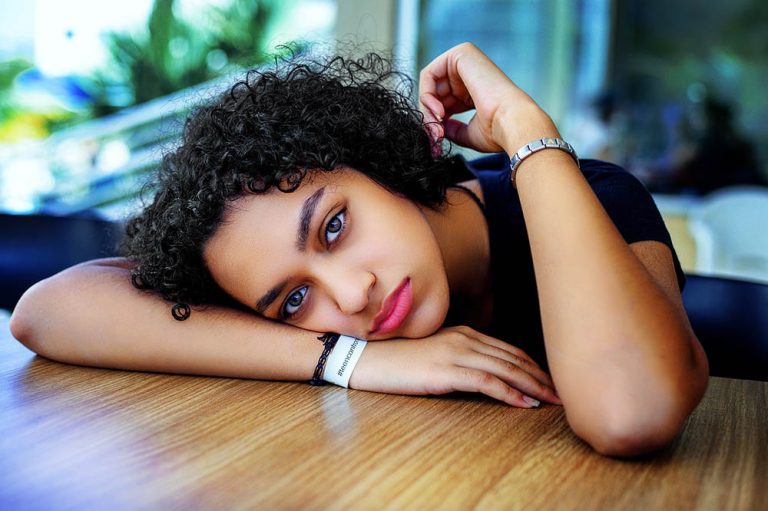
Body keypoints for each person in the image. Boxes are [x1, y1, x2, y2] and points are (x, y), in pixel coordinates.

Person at [9, 43, 708, 457]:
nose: (349, 297)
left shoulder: (590, 196)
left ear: (380, 163)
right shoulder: (342, 329)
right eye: (293, 298)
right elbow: (47, 312)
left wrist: (526, 128)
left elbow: (631, 411)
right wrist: (353, 357)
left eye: (334, 227)